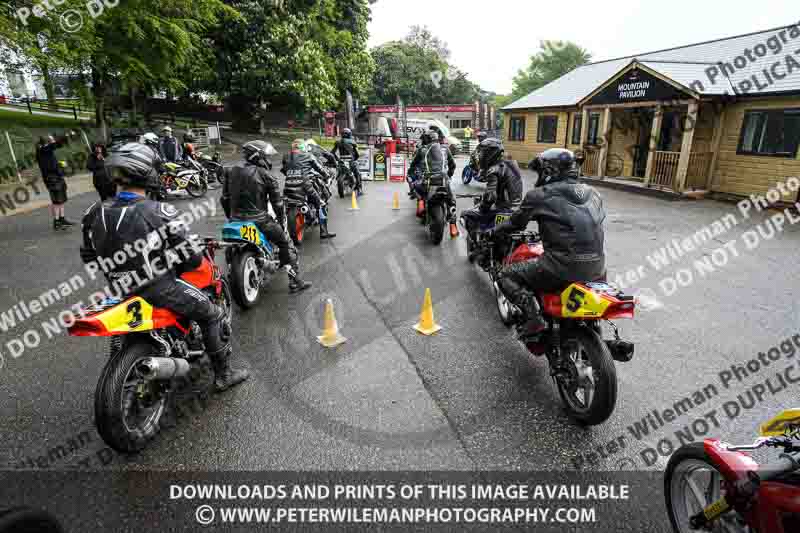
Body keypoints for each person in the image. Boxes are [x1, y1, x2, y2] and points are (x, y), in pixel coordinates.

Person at [80, 142, 249, 391]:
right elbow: (190, 259)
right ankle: (224, 374)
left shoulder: (93, 212)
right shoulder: (159, 210)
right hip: (158, 289)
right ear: (144, 172)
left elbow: (89, 256)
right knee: (212, 314)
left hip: (119, 288)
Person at [490, 148, 606, 338]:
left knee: (504, 275)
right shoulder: (595, 193)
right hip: (598, 269)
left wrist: (494, 232)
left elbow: (515, 223)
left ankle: (533, 318)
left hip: (560, 268)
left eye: (541, 172)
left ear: (549, 172)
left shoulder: (540, 195)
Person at [222, 140, 313, 292]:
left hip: (235, 220)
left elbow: (224, 199)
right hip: (260, 221)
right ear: (258, 156)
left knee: (230, 246)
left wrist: (231, 217)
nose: (268, 160)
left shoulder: (230, 171)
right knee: (285, 243)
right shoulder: (266, 175)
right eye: (266, 157)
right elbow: (277, 204)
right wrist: (283, 223)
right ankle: (295, 281)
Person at [407, 127, 458, 236]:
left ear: (427, 139)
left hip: (428, 181)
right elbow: (453, 165)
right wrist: (448, 176)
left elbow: (413, 166)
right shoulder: (445, 148)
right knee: (452, 202)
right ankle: (453, 226)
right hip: (444, 181)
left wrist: (409, 174)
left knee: (413, 184)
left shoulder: (422, 150)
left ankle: (420, 201)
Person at [281, 139, 334, 240]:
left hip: (288, 184)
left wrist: (292, 174)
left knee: (285, 204)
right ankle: (324, 231)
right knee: (321, 204)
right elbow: (320, 168)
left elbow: (284, 170)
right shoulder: (308, 156)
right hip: (305, 184)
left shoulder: (286, 156)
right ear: (303, 147)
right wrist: (327, 176)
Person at [36, 134, 74, 231]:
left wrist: (59, 165)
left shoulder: (47, 151)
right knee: (56, 200)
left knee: (61, 198)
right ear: (44, 144)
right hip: (51, 178)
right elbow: (55, 145)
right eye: (49, 141)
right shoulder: (42, 150)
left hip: (57, 176)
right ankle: (56, 222)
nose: (51, 142)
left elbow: (53, 149)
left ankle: (62, 219)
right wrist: (65, 137)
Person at [331, 128, 363, 196]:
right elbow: (357, 154)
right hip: (351, 161)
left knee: (339, 171)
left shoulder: (337, 142)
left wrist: (337, 159)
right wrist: (355, 159)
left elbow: (332, 153)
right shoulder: (353, 142)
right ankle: (359, 189)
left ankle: (340, 180)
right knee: (358, 173)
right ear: (349, 134)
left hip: (341, 161)